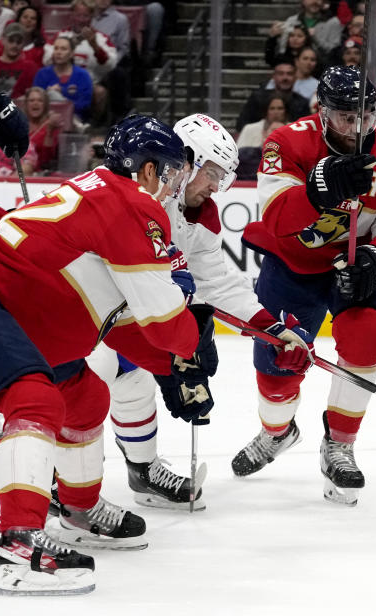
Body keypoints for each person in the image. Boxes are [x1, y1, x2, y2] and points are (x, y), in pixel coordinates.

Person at [0, 110, 214, 595]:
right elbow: (162, 322)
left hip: (21, 310)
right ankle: (20, 548)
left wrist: (174, 369)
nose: (175, 187)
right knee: (35, 402)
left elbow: (124, 326)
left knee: (85, 396)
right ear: (148, 170)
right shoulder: (133, 204)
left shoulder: (104, 194)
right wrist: (189, 349)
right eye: (172, 174)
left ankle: (78, 509)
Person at [88, 113, 313, 511]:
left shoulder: (196, 215)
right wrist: (177, 347)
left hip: (119, 316)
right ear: (184, 160)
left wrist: (273, 329)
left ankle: (142, 471)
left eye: (222, 177)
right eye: (211, 172)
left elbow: (216, 281)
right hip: (82, 311)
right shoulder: (136, 191)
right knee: (93, 380)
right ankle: (65, 486)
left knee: (132, 381)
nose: (215, 187)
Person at [236, 66, 376, 507]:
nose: (360, 128)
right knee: (278, 365)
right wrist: (322, 187)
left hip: (356, 266)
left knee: (365, 336)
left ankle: (340, 444)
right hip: (294, 263)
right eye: (347, 118)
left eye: (368, 116)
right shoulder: (287, 142)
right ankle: (278, 431)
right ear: (323, 112)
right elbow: (276, 217)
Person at [236, 60, 312, 132]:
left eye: (289, 74)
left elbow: (306, 130)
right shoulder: (258, 98)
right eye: (281, 74)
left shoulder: (302, 103)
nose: (285, 78)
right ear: (274, 76)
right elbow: (241, 125)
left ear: (295, 77)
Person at [32, 36, 95, 122]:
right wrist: (47, 93)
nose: (58, 52)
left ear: (72, 54)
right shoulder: (42, 74)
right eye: (56, 48)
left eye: (63, 49)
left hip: (74, 118)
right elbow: (35, 102)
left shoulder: (82, 75)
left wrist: (62, 92)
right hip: (46, 118)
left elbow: (84, 105)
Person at [0, 23, 39, 99]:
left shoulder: (30, 67)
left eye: (19, 42)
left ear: (23, 43)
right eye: (11, 41)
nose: (14, 45)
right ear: (3, 40)